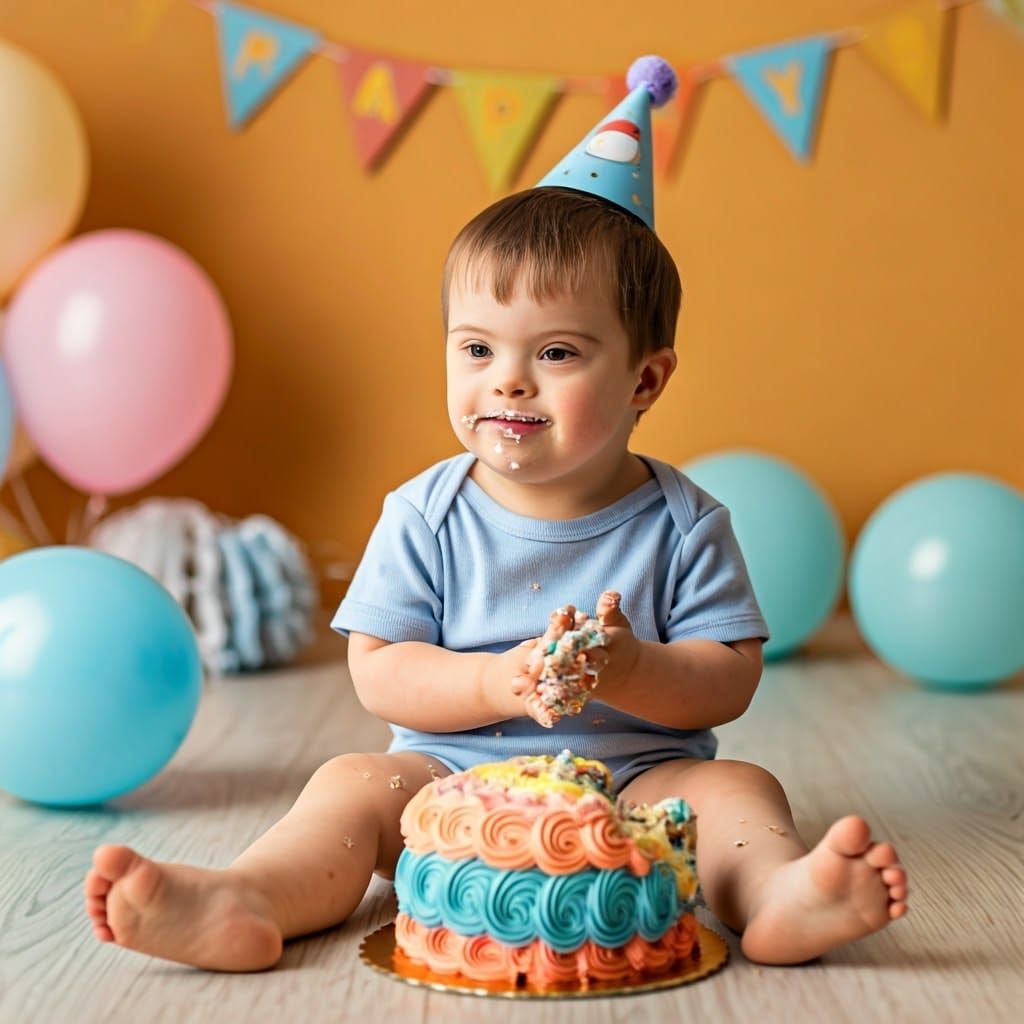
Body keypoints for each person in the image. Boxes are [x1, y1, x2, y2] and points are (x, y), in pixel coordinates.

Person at [83, 58, 908, 973]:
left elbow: (729, 681)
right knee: (348, 786)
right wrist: (492, 687)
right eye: (476, 347)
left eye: (555, 351)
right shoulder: (426, 513)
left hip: (636, 787)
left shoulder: (685, 521)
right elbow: (380, 670)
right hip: (448, 784)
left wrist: (630, 669)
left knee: (740, 790)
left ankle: (780, 895)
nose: (506, 379)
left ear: (644, 379)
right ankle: (246, 897)